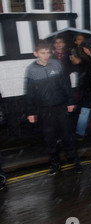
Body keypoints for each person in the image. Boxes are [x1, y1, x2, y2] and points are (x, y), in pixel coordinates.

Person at [25, 40, 82, 174]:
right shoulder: (31, 70)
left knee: (67, 135)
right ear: (36, 54)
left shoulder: (57, 64)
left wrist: (70, 101)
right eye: (42, 53)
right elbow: (29, 92)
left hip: (60, 106)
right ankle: (55, 164)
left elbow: (65, 84)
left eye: (48, 53)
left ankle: (75, 161)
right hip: (44, 109)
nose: (46, 56)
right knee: (49, 137)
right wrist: (30, 111)